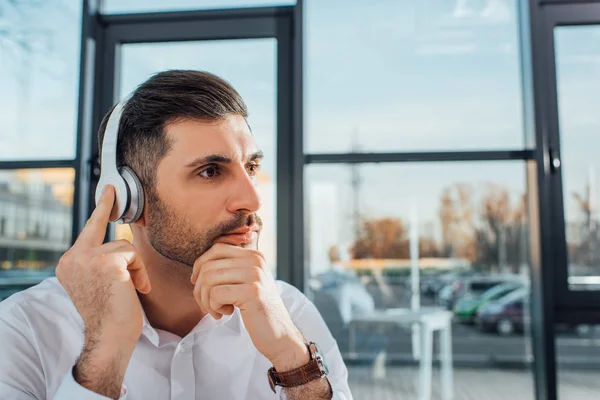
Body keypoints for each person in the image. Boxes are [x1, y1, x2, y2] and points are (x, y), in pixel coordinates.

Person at [0, 70, 351, 399]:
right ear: (128, 198)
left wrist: (293, 359)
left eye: (252, 167)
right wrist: (105, 352)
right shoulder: (24, 328)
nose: (253, 199)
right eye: (210, 171)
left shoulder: (290, 313)